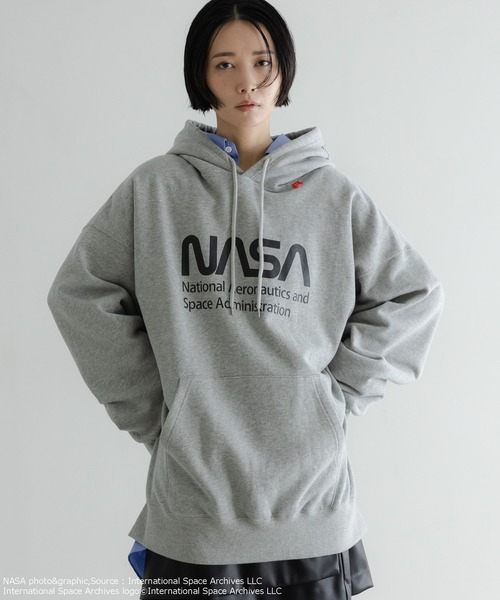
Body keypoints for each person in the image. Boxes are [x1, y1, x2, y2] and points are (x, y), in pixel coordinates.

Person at [47, 0, 444, 598]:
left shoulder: (333, 197)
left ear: (283, 69)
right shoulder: (156, 189)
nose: (247, 82)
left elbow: (413, 293)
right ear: (201, 76)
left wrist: (334, 397)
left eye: (262, 61)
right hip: (194, 516)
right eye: (224, 64)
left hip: (310, 512)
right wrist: (157, 410)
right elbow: (79, 293)